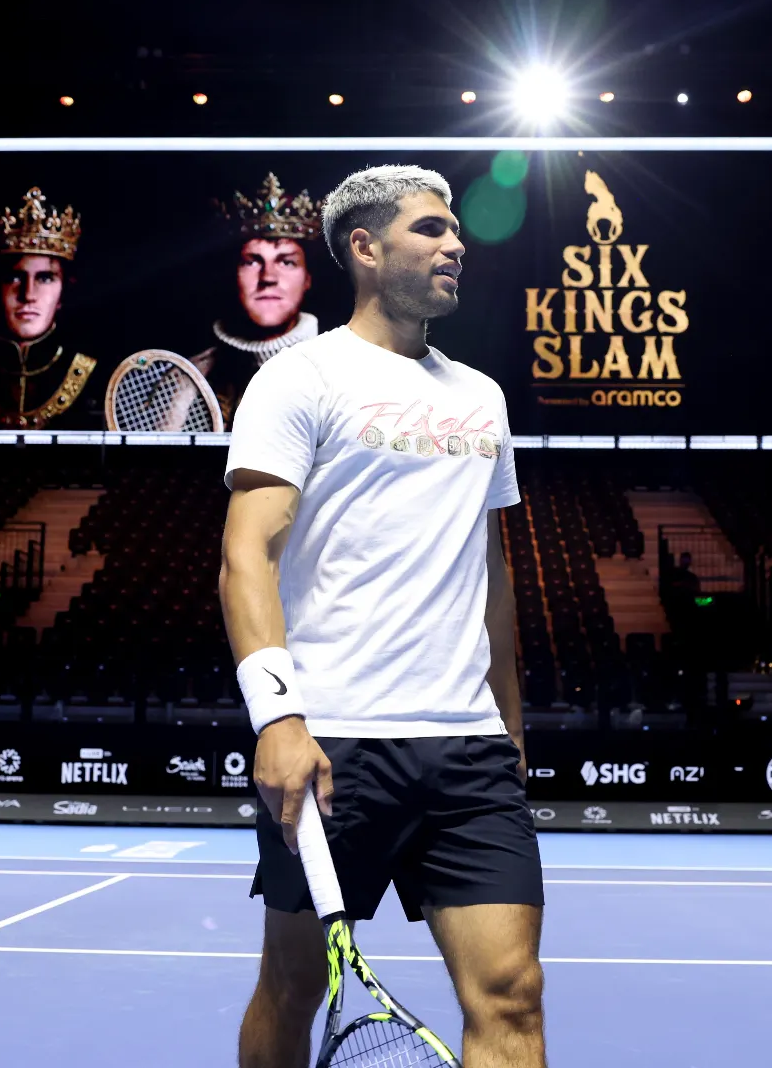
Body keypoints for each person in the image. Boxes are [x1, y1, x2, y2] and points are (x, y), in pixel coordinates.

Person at [220, 165, 545, 1068]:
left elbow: (490, 570)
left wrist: (510, 727)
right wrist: (278, 719)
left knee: (513, 993)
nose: (457, 245)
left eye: (456, 231)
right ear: (365, 248)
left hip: (468, 747)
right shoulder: (300, 379)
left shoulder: (481, 395)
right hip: (334, 743)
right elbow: (248, 555)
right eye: (432, 230)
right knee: (294, 987)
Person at [0, 187, 107, 429]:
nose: (28, 295)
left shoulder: (98, 380)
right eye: (14, 278)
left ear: (63, 290)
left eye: (45, 278)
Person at [195, 172, 324, 425]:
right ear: (233, 274)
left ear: (307, 278)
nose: (268, 277)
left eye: (287, 262)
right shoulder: (186, 379)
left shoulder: (348, 372)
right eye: (252, 262)